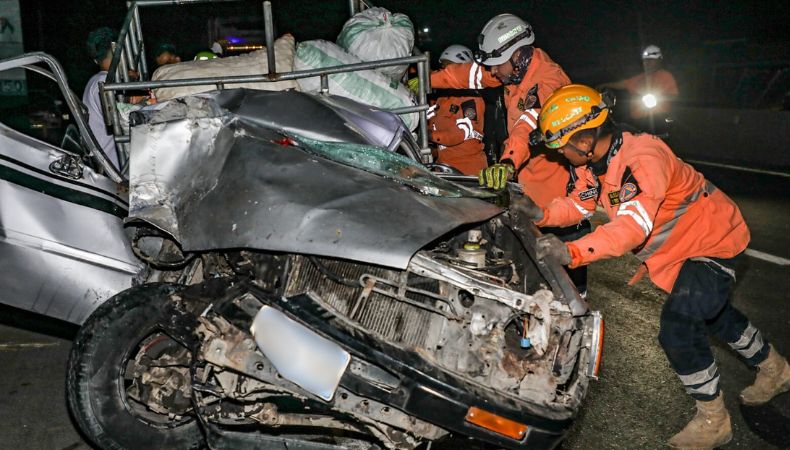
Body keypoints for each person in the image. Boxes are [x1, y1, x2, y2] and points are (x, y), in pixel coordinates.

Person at [524, 84, 790, 449]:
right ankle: (776, 369)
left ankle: (714, 421)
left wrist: (571, 252)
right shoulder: (596, 165)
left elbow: (631, 228)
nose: (558, 154)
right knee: (713, 315)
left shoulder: (643, 157)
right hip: (682, 252)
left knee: (678, 328)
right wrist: (541, 213)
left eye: (561, 146)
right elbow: (580, 203)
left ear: (584, 140)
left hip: (713, 241)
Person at [429, 14, 591, 294]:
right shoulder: (513, 70)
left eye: (496, 66)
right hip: (530, 192)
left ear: (517, 55)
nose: (494, 73)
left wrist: (507, 162)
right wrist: (425, 80)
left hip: (558, 199)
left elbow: (527, 126)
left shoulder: (548, 81)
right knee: (530, 273)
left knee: (565, 285)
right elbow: (468, 74)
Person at [426, 45, 487, 175]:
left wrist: (431, 136)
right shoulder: (442, 99)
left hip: (468, 171)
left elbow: (462, 132)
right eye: (442, 69)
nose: (444, 74)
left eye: (449, 69)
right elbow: (430, 119)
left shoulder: (471, 100)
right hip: (445, 168)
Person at [599, 45, 678, 133]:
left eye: (650, 60)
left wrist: (658, 97)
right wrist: (605, 85)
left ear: (659, 61)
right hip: (638, 121)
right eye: (645, 61)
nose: (647, 63)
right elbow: (624, 84)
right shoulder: (640, 78)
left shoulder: (666, 76)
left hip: (657, 118)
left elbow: (673, 95)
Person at [83, 27, 119, 169]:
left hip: (107, 162)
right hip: (116, 165)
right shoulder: (106, 83)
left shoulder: (95, 81)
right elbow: (123, 119)